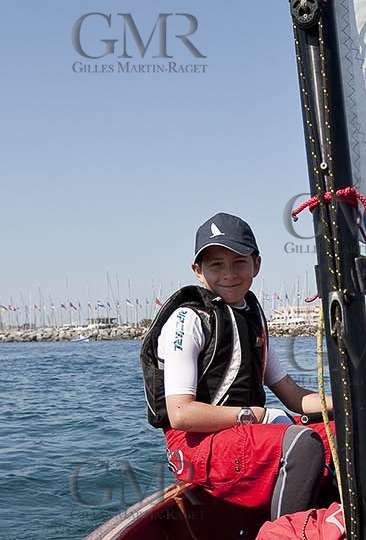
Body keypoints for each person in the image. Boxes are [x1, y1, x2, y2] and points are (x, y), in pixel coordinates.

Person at [140, 213, 331, 516]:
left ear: (256, 264)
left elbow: (292, 395)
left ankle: (332, 528)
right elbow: (180, 414)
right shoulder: (188, 320)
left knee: (338, 434)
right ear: (198, 271)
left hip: (244, 437)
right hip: (196, 445)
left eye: (239, 262)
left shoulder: (253, 319)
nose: (228, 273)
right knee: (303, 445)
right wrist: (256, 415)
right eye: (216, 264)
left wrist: (350, 406)